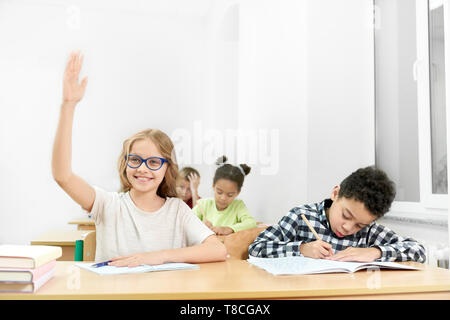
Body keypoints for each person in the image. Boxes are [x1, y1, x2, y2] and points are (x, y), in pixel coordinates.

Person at [52, 51, 227, 266]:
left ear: (167, 169)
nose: (143, 168)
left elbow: (217, 250)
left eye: (154, 162)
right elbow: (63, 176)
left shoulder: (177, 210)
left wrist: (158, 256)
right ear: (125, 163)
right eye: (135, 160)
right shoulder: (108, 205)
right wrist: (68, 105)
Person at [248, 166, 426, 263]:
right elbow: (256, 248)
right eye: (346, 215)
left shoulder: (369, 230)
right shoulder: (301, 217)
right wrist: (301, 249)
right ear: (335, 194)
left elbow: (418, 250)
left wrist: (375, 252)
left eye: (359, 225)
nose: (348, 227)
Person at [192, 156, 257, 236]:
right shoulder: (203, 204)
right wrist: (201, 225)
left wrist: (229, 229)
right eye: (219, 192)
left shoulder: (238, 206)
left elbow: (251, 223)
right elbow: (188, 223)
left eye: (230, 195)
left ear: (238, 192)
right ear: (213, 186)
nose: (223, 198)